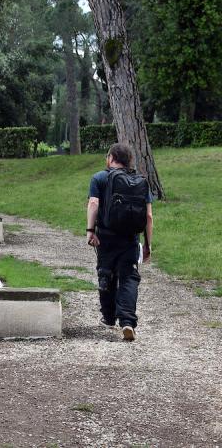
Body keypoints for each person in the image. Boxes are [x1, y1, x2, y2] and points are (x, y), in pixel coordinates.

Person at [86, 143, 153, 342]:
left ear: (111, 157)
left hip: (105, 236)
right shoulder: (139, 181)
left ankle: (108, 317)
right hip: (131, 238)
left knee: (106, 273)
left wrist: (90, 231)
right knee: (129, 278)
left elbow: (93, 203)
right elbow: (148, 216)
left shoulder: (99, 177)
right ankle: (127, 322)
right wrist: (148, 245)